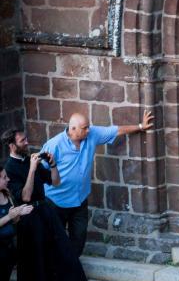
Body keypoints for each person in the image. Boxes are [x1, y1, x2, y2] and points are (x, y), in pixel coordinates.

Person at [2, 128, 91, 281]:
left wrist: (52, 165)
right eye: (22, 140)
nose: (27, 142)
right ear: (12, 145)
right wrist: (33, 170)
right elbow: (25, 196)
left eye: (26, 139)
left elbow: (55, 182)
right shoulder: (9, 168)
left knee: (64, 251)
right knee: (34, 261)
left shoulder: (29, 159)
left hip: (45, 210)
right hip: (28, 216)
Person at [40, 109, 154, 257]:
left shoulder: (91, 134)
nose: (88, 130)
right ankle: (58, 275)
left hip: (79, 201)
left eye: (88, 127)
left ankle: (72, 272)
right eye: (85, 128)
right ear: (73, 128)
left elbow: (114, 131)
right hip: (56, 202)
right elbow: (41, 172)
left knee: (78, 240)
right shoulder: (54, 145)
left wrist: (140, 126)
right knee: (56, 242)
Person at [0, 165, 33, 281]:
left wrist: (20, 213)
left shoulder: (7, 195)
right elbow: (6, 219)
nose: (7, 179)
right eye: (3, 177)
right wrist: (10, 217)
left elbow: (14, 220)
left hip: (8, 248)